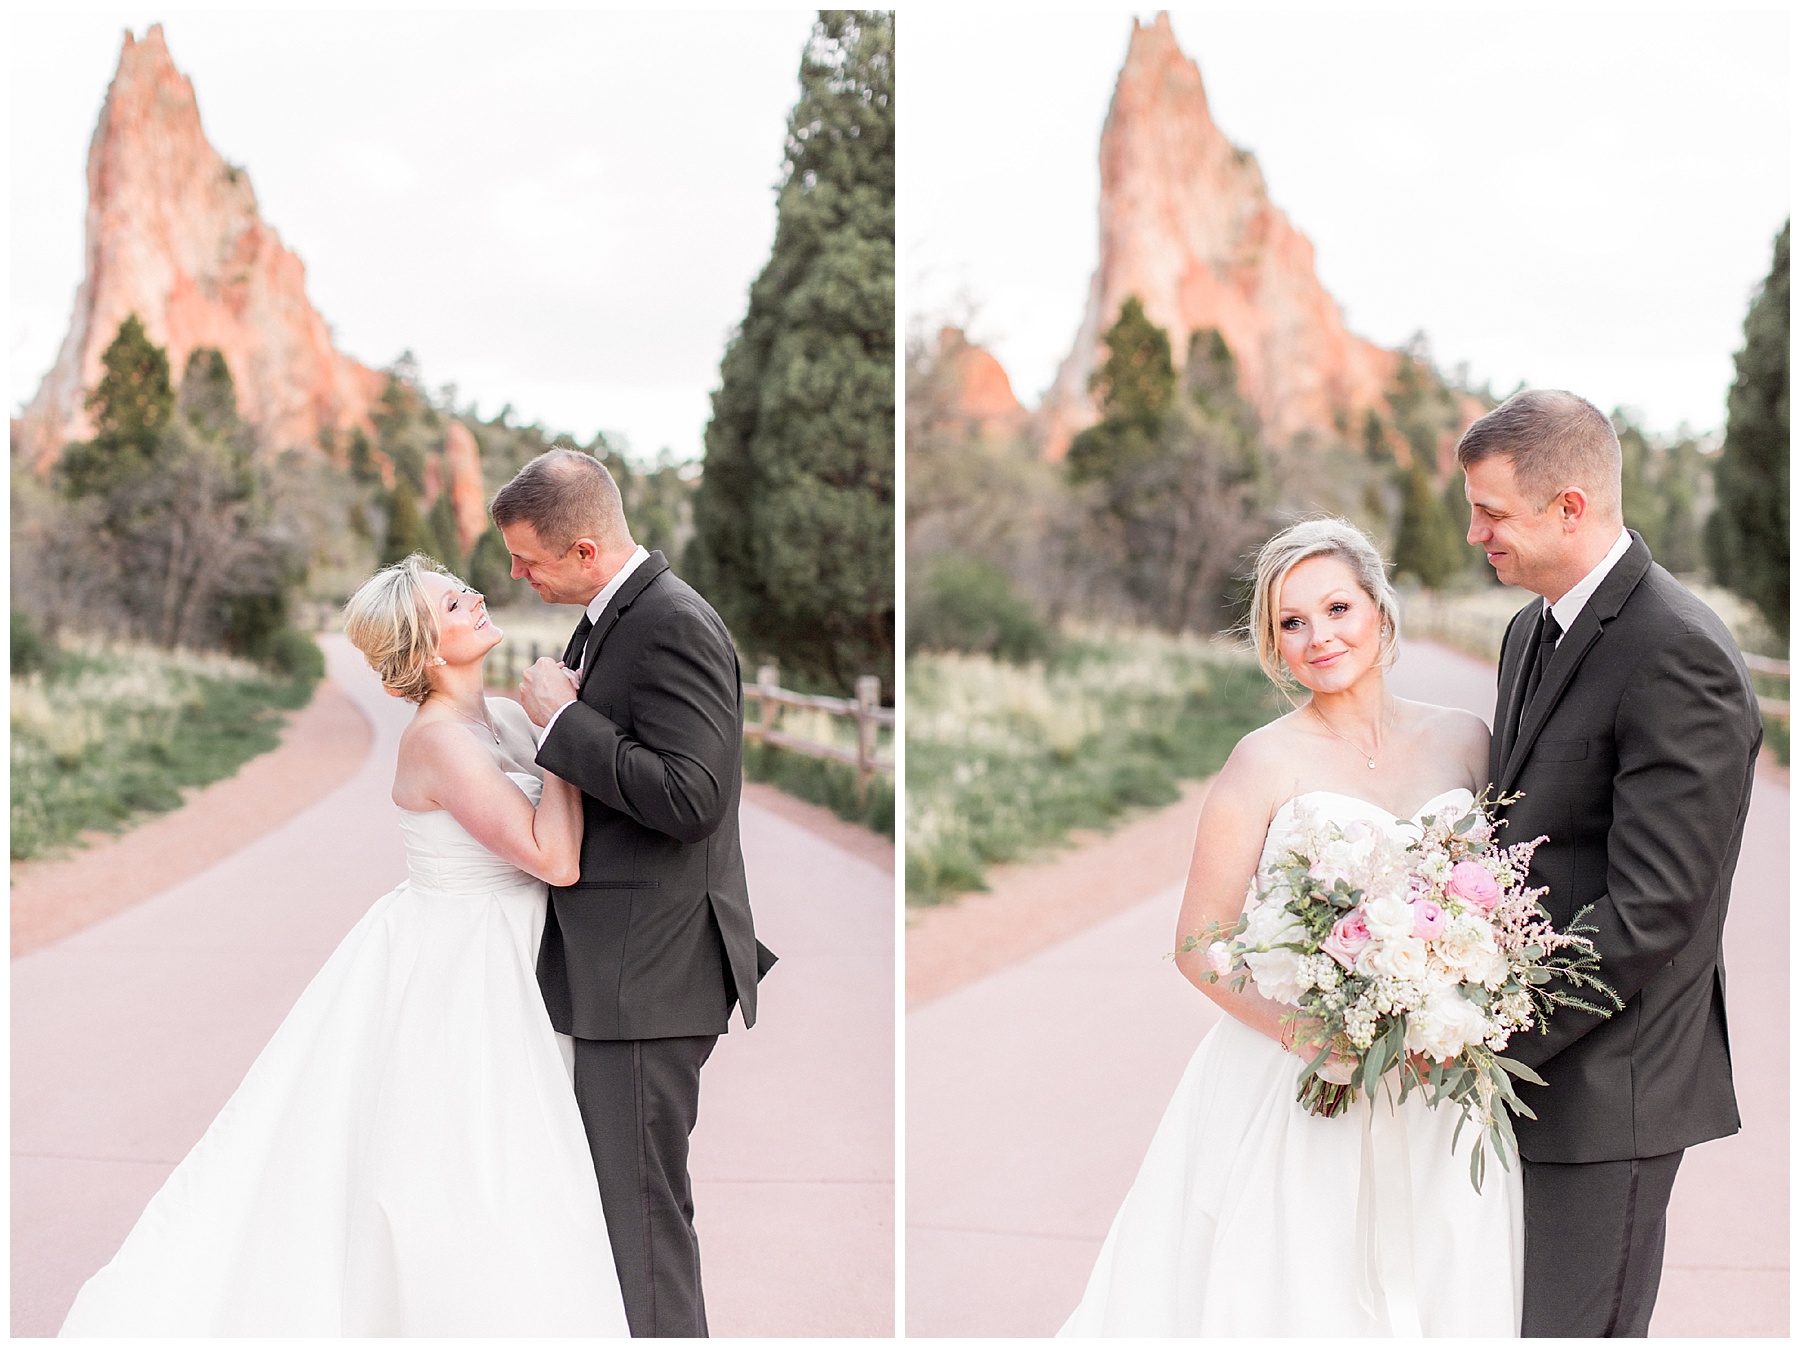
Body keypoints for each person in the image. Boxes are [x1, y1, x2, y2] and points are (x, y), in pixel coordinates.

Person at [60, 554, 628, 1336]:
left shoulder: (497, 718)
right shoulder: (436, 742)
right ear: (428, 649)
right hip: (462, 974)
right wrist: (563, 727)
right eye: (456, 602)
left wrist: (554, 725)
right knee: (476, 1173)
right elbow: (555, 857)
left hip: (513, 957)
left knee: (516, 1167)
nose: (477, 597)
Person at [1060, 517, 1521, 1337]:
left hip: (1439, 1080)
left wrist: (1463, 986)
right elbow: (1200, 943)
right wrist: (1315, 1035)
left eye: (1338, 608)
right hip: (1304, 1081)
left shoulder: (1467, 741)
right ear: (1274, 646)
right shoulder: (1262, 761)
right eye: (1292, 623)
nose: (1320, 637)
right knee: (1301, 1291)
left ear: (1380, 609)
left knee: (1446, 1282)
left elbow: (1497, 897)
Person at [1460, 390, 1760, 1338]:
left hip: (1604, 1093)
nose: (1475, 535)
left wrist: (1487, 1044)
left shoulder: (1679, 653)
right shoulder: (1528, 631)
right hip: (1519, 1080)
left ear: (1571, 507)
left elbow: (1653, 911)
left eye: (1492, 512)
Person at [491, 449, 775, 1340]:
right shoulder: (614, 616)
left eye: (527, 558)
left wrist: (561, 724)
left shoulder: (671, 623)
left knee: (641, 1223)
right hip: (623, 970)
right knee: (619, 1213)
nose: (515, 574)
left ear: (582, 549)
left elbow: (695, 798)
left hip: (649, 976)